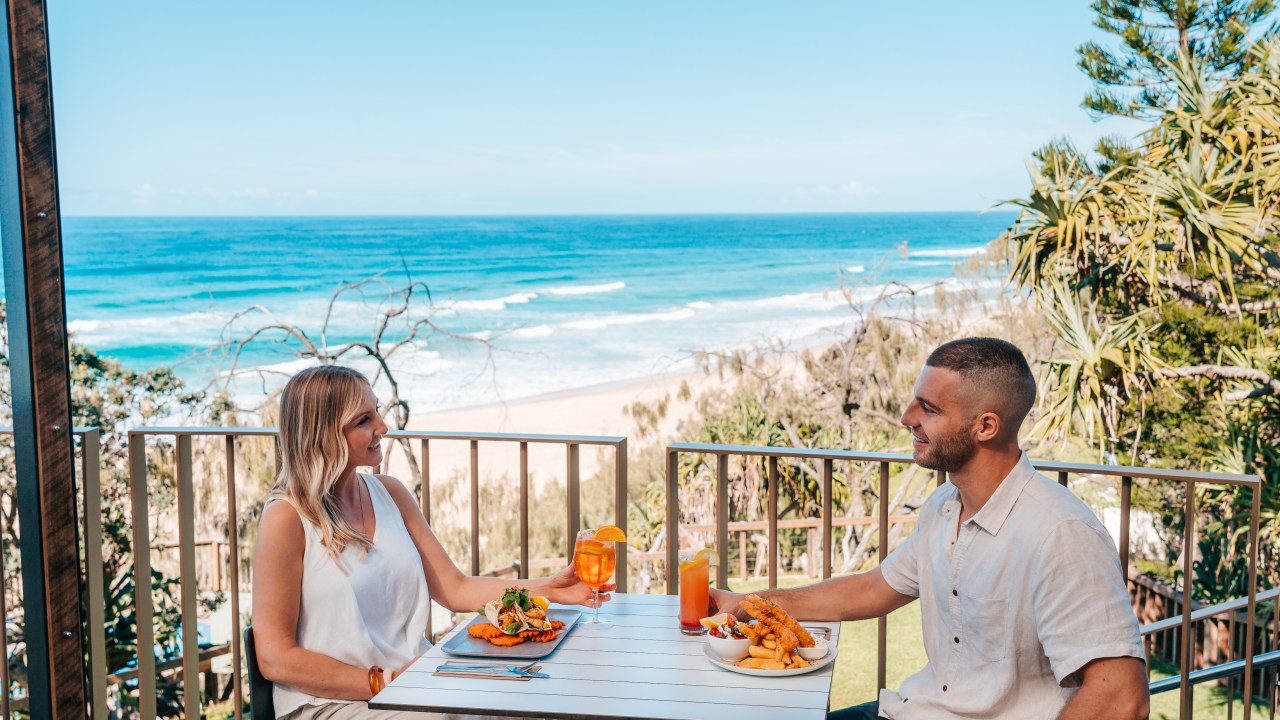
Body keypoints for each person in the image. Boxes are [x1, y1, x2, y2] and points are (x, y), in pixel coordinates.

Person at [708, 338, 1149, 720]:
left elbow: (1121, 697)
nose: (906, 416)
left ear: (986, 426)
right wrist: (756, 604)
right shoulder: (943, 507)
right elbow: (873, 589)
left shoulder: (1060, 533)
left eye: (929, 408)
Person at [252, 365, 610, 719]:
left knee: (527, 701)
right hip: (330, 704)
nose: (383, 426)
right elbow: (274, 656)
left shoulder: (389, 493)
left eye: (377, 410)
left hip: (413, 684)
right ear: (323, 433)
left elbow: (455, 588)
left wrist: (551, 590)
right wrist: (384, 681)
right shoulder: (287, 517)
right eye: (363, 420)